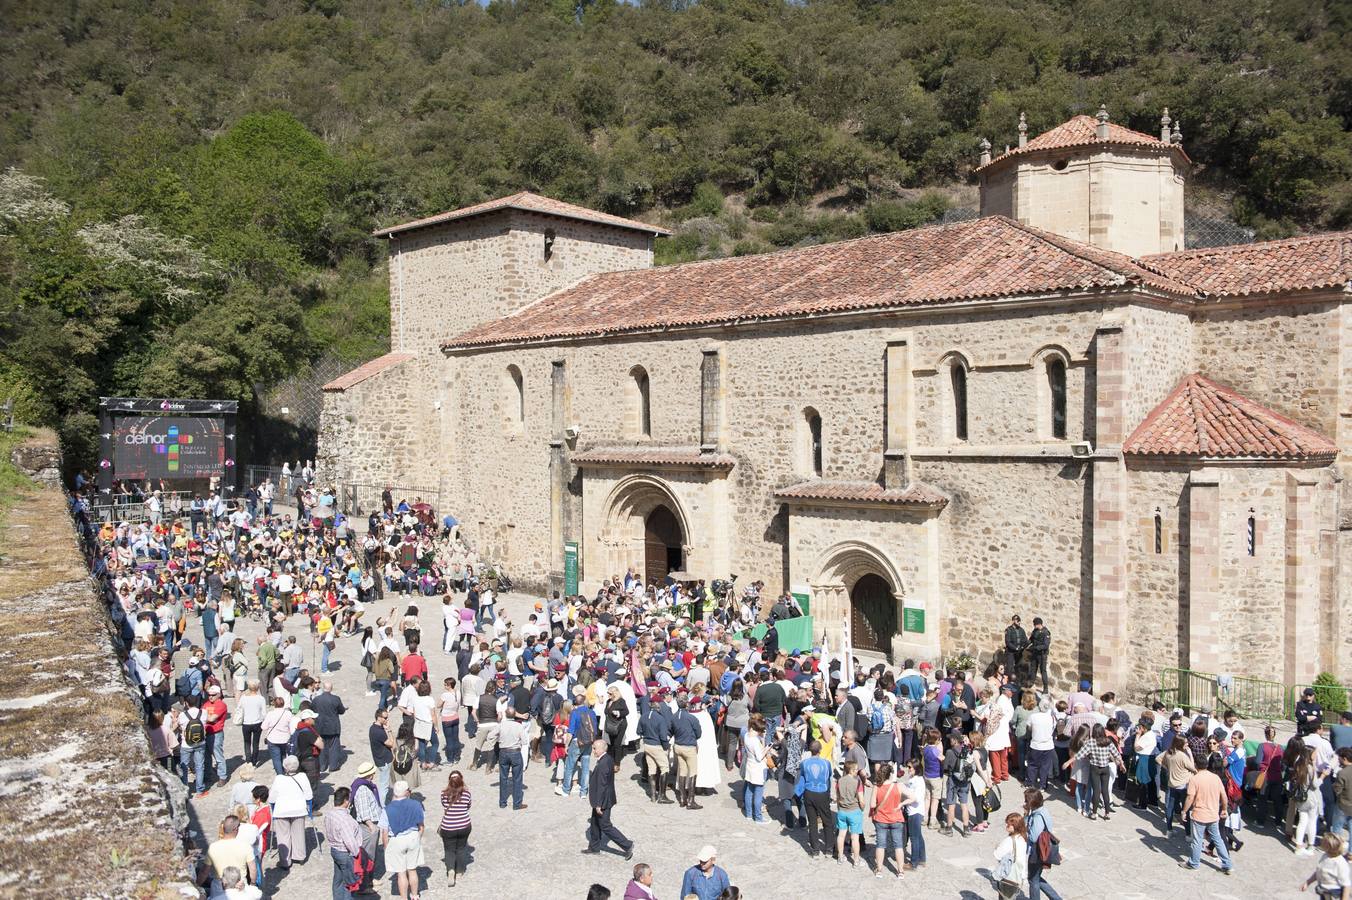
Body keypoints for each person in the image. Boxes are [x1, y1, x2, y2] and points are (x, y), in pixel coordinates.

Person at [1181, 754, 1234, 873]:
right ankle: (1227, 864)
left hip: (1199, 814)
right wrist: (1224, 809)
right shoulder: (1216, 778)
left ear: (1195, 765)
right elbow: (1224, 796)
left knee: (1197, 840)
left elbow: (1190, 797)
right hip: (1213, 814)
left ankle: (1194, 863)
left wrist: (1184, 811)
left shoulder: (1194, 779)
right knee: (1218, 839)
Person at [584, 738, 634, 859]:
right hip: (601, 799)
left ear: (602, 749)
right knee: (595, 823)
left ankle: (627, 845)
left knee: (605, 826)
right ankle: (594, 847)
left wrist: (598, 804)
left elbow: (602, 785)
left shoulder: (603, 764)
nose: (593, 750)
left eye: (595, 748)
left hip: (603, 800)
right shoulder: (607, 759)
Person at [795, 739, 836, 857]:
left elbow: (802, 776)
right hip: (822, 792)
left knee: (812, 822)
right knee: (827, 821)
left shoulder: (804, 763)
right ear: (820, 750)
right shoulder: (826, 763)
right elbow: (828, 777)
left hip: (809, 792)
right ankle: (829, 849)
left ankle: (815, 850)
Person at [386, 781, 426, 900]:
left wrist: (386, 847)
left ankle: (404, 898)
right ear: (407, 792)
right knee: (412, 870)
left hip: (397, 840)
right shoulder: (416, 804)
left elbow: (384, 831)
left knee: (401, 873)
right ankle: (415, 895)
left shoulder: (387, 809)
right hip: (413, 836)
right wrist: (418, 837)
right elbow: (421, 825)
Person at [322, 786, 364, 900]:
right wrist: (357, 853)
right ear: (345, 801)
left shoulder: (330, 814)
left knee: (338, 880)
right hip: (345, 853)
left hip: (335, 850)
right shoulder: (344, 819)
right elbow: (350, 841)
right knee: (349, 884)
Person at [271, 755, 313, 868]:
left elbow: (272, 798)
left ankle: (285, 861)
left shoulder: (279, 778)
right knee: (298, 833)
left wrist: (273, 807)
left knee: (283, 836)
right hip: (298, 810)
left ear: (285, 767)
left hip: (282, 811)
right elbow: (309, 795)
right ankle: (300, 857)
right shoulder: (303, 776)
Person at [1024, 788, 1063, 900]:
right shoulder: (1044, 811)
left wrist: (1026, 817)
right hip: (1043, 849)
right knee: (1035, 878)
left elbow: (1033, 837)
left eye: (1026, 801)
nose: (1025, 803)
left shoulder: (1037, 817)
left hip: (1037, 852)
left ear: (1032, 802)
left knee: (1033, 879)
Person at [869, 763, 905, 879]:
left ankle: (879, 870)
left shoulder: (876, 786)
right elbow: (913, 797)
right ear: (890, 774)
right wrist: (901, 804)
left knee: (880, 845)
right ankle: (900, 871)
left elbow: (872, 804)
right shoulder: (898, 786)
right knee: (898, 846)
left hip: (881, 819)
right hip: (896, 818)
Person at [438, 770, 472, 886]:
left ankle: (451, 870)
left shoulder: (444, 794)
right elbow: (468, 806)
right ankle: (459, 871)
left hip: (448, 827)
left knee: (449, 850)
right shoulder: (467, 793)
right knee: (461, 848)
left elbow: (444, 805)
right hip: (464, 825)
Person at [206, 815, 256, 891]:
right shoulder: (245, 846)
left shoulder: (213, 847)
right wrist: (253, 884)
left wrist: (197, 885)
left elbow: (204, 871)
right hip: (240, 885)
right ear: (236, 829)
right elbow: (253, 869)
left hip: (219, 886)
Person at [312, 680, 348, 775]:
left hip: (320, 726)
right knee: (334, 747)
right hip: (333, 726)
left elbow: (313, 710)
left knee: (322, 746)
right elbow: (341, 711)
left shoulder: (316, 699)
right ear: (331, 688)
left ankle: (322, 765)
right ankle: (333, 765)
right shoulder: (336, 699)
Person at [498, 708, 530, 810]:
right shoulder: (518, 726)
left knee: (503, 778)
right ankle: (517, 804)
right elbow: (525, 741)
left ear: (505, 715)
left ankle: (503, 802)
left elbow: (490, 736)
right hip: (515, 752)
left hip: (503, 751)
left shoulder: (501, 725)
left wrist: (499, 740)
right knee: (517, 778)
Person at [1300, 833, 1349, 900]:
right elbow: (1319, 871)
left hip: (1334, 893)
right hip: (1324, 891)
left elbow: (1346, 885)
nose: (1321, 843)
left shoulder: (1340, 863)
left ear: (1329, 847)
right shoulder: (1325, 856)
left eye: (1323, 842)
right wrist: (1308, 882)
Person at [992, 812, 1029, 899]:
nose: (1006, 826)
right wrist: (1024, 876)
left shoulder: (1009, 840)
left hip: (1007, 876)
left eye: (1009, 825)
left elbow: (997, 855)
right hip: (1017, 877)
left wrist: (997, 847)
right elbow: (1023, 859)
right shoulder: (1023, 838)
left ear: (1015, 826)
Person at [834, 758, 865, 864]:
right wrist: (862, 808)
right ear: (851, 770)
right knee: (855, 837)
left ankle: (840, 857)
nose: (857, 771)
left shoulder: (839, 781)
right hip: (854, 811)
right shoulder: (857, 782)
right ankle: (856, 860)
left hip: (842, 811)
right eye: (855, 769)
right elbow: (861, 800)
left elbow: (838, 797)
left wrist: (839, 808)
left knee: (841, 835)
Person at [742, 714, 771, 823]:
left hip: (750, 767)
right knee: (758, 794)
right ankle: (758, 817)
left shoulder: (746, 735)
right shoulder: (754, 740)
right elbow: (759, 757)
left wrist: (762, 739)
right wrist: (767, 748)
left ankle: (749, 814)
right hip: (758, 769)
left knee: (749, 792)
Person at [1027, 617, 1051, 691]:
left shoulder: (1046, 632)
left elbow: (1046, 645)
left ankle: (1045, 688)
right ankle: (1031, 684)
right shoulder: (1035, 631)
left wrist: (1036, 648)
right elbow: (1031, 640)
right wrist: (1024, 645)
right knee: (1033, 669)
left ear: (1039, 624)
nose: (1034, 626)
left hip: (1042, 655)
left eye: (1035, 624)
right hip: (1035, 654)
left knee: (1043, 671)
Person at [1003, 615, 1028, 681]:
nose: (1019, 623)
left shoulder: (1021, 630)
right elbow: (1008, 642)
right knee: (1009, 668)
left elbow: (1025, 640)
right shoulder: (1008, 630)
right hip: (1010, 652)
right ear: (1014, 621)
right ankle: (1006, 683)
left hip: (1019, 652)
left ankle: (1016, 682)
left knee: (1018, 668)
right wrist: (1015, 648)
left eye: (1019, 621)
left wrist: (1023, 646)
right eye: (1018, 621)